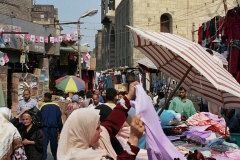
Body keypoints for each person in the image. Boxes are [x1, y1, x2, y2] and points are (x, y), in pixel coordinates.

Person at [57, 81, 144, 160]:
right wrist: (134, 138)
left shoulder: (90, 141)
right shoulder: (80, 157)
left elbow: (111, 124)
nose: (101, 130)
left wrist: (128, 97)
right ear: (85, 132)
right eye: (97, 128)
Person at [40, 92, 63, 160]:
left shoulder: (42, 106)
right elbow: (59, 119)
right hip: (54, 129)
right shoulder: (57, 106)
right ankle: (56, 158)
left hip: (44, 128)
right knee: (54, 145)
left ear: (46, 98)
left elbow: (39, 118)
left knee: (44, 146)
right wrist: (61, 129)